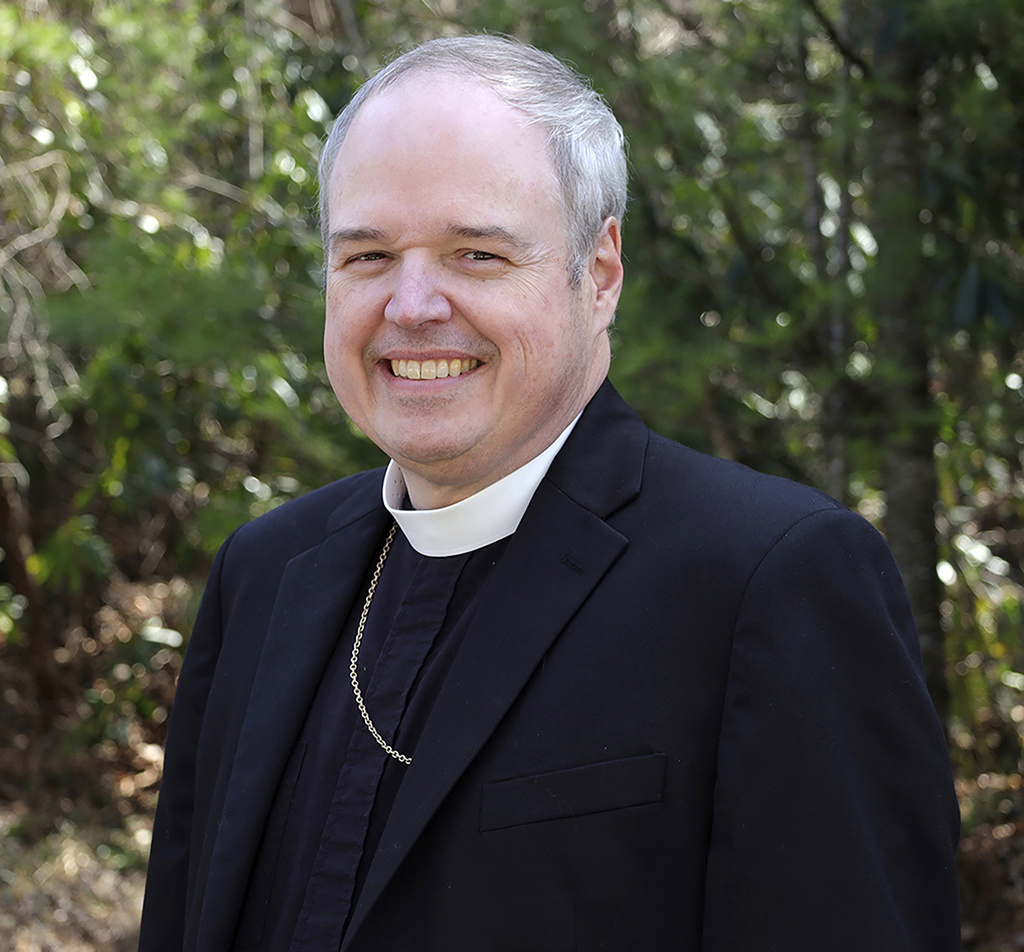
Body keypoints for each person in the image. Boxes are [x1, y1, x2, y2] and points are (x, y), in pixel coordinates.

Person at [138, 35, 961, 952]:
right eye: (367, 257)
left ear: (599, 271)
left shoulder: (767, 581)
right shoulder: (264, 572)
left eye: (477, 255)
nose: (410, 306)